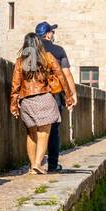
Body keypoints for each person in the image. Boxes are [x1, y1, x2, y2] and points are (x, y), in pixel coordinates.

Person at [10, 33, 64, 175]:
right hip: (44, 98)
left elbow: (15, 85)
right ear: (39, 43)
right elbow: (61, 76)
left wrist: (14, 105)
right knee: (43, 134)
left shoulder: (20, 62)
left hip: (26, 101)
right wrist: (69, 95)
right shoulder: (47, 57)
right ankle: (38, 164)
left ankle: (32, 165)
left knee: (31, 133)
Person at [35, 22, 77, 173]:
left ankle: (34, 164)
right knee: (53, 129)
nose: (53, 34)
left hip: (33, 93)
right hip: (54, 94)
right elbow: (65, 73)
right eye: (52, 32)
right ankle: (52, 164)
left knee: (34, 129)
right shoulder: (58, 50)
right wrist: (72, 94)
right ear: (47, 34)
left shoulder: (30, 50)